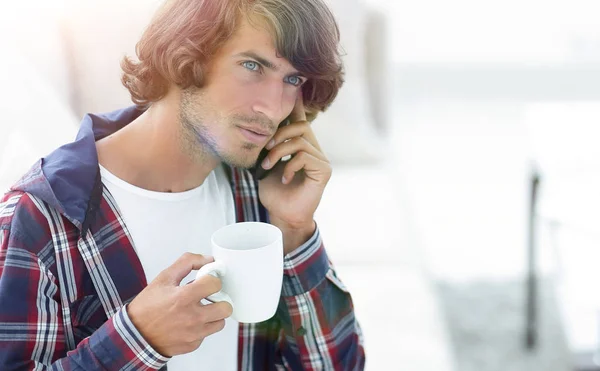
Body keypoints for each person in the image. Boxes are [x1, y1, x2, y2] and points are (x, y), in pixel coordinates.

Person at [0, 0, 365, 369]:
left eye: (293, 80)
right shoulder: (39, 221)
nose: (272, 108)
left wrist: (296, 230)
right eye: (252, 66)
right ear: (185, 54)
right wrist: (137, 339)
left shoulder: (260, 195)